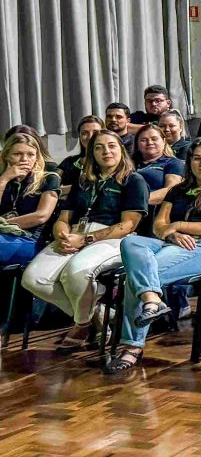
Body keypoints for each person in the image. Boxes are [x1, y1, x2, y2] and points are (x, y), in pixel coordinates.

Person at [109, 139, 201, 374]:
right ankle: (152, 300)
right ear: (189, 163)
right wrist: (171, 234)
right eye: (197, 158)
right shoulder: (177, 190)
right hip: (169, 243)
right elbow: (159, 224)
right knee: (130, 242)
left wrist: (179, 226)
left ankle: (132, 346)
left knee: (134, 278)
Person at [23, 131, 148, 350]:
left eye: (111, 146)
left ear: (121, 149)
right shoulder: (83, 181)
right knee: (33, 279)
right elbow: (64, 218)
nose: (106, 151)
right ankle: (97, 314)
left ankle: (81, 325)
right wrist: (62, 235)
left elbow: (128, 225)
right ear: (92, 153)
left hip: (113, 238)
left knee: (76, 272)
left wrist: (86, 239)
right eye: (99, 147)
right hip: (74, 233)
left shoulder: (133, 180)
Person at [0, 131, 60, 266]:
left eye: (30, 154)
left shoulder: (49, 178)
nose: (24, 159)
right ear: (6, 156)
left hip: (30, 239)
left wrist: (4, 224)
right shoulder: (2, 179)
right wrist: (4, 180)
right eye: (17, 154)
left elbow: (41, 216)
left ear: (37, 157)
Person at [133, 124, 186, 209]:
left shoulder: (174, 163)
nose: (149, 143)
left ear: (164, 141)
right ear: (137, 144)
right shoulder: (129, 164)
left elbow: (171, 190)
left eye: (154, 139)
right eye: (143, 140)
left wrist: (136, 201)